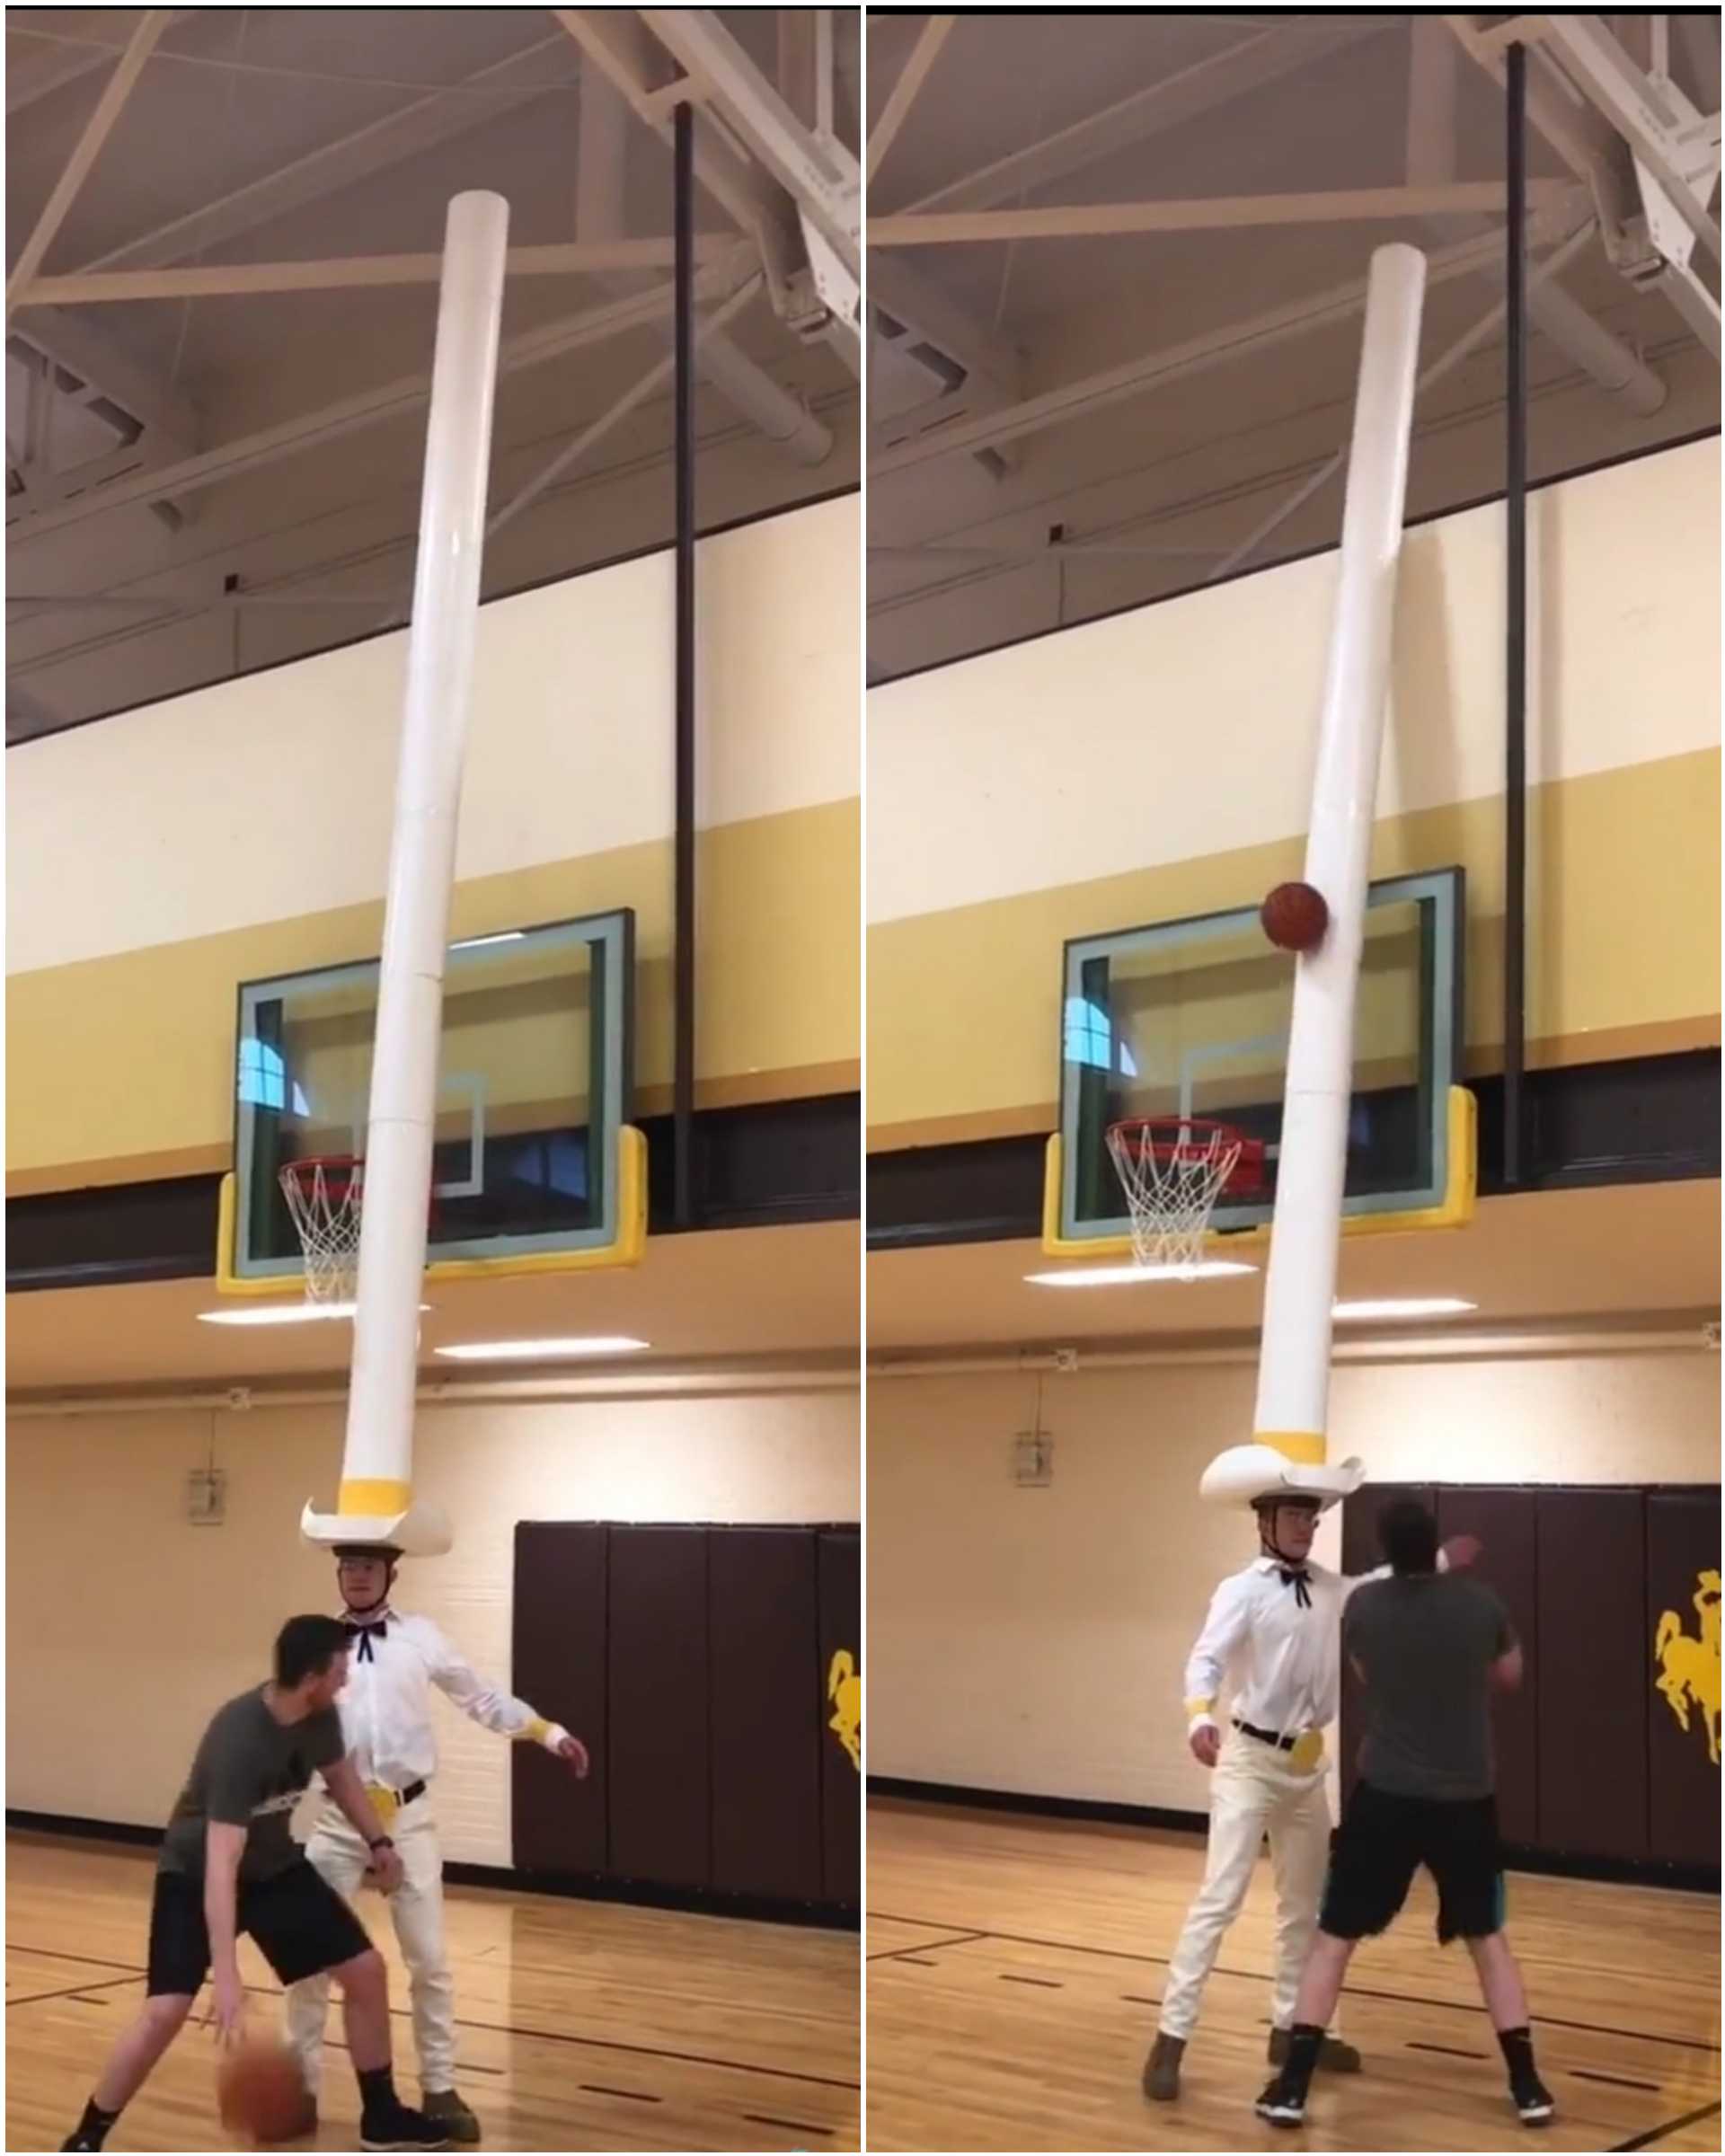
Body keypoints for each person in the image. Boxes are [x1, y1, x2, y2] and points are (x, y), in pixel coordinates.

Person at [1144, 1469, 1480, 2102]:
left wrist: (1438, 1558)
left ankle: (1294, 2031)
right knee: (1219, 1901)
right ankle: (1170, 2037)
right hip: (1247, 1760)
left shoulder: (1332, 1590)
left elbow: (1384, 1582)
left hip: (1306, 1769)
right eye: (1296, 1517)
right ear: (1265, 1523)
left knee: (1306, 1909)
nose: (1307, 1527)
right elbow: (1206, 1659)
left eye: (1312, 1518)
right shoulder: (1240, 1590)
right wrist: (1197, 1717)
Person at [60, 1616, 448, 2152]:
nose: (345, 1681)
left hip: (273, 1868)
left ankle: (381, 2117)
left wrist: (379, 1843)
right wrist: (226, 1975)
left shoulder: (320, 1717)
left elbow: (341, 1779)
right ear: (313, 1675)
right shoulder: (239, 1737)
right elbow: (222, 1864)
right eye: (339, 1670)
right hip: (196, 1873)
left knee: (365, 1971)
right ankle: (87, 2135)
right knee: (165, 2012)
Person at [1254, 1497, 1553, 2130]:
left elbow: (1365, 1674)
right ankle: (1527, 2086)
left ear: (1387, 1551)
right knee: (1489, 1940)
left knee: (1335, 1938)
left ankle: (1291, 2088)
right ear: (1434, 1543)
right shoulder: (1481, 1605)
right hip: (1465, 1799)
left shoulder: (1364, 1609)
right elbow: (1510, 1676)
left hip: (1386, 1796)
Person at [285, 1542, 590, 2144]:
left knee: (428, 1961)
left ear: (391, 1574)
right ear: (338, 1575)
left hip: (409, 1818)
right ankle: (299, 2088)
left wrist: (546, 1732)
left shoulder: (421, 1637)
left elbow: (479, 1696)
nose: (359, 1577)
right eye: (349, 1567)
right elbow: (285, 1721)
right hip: (336, 1823)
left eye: (370, 1567)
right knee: (309, 1962)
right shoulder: (317, 1646)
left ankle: (441, 2087)